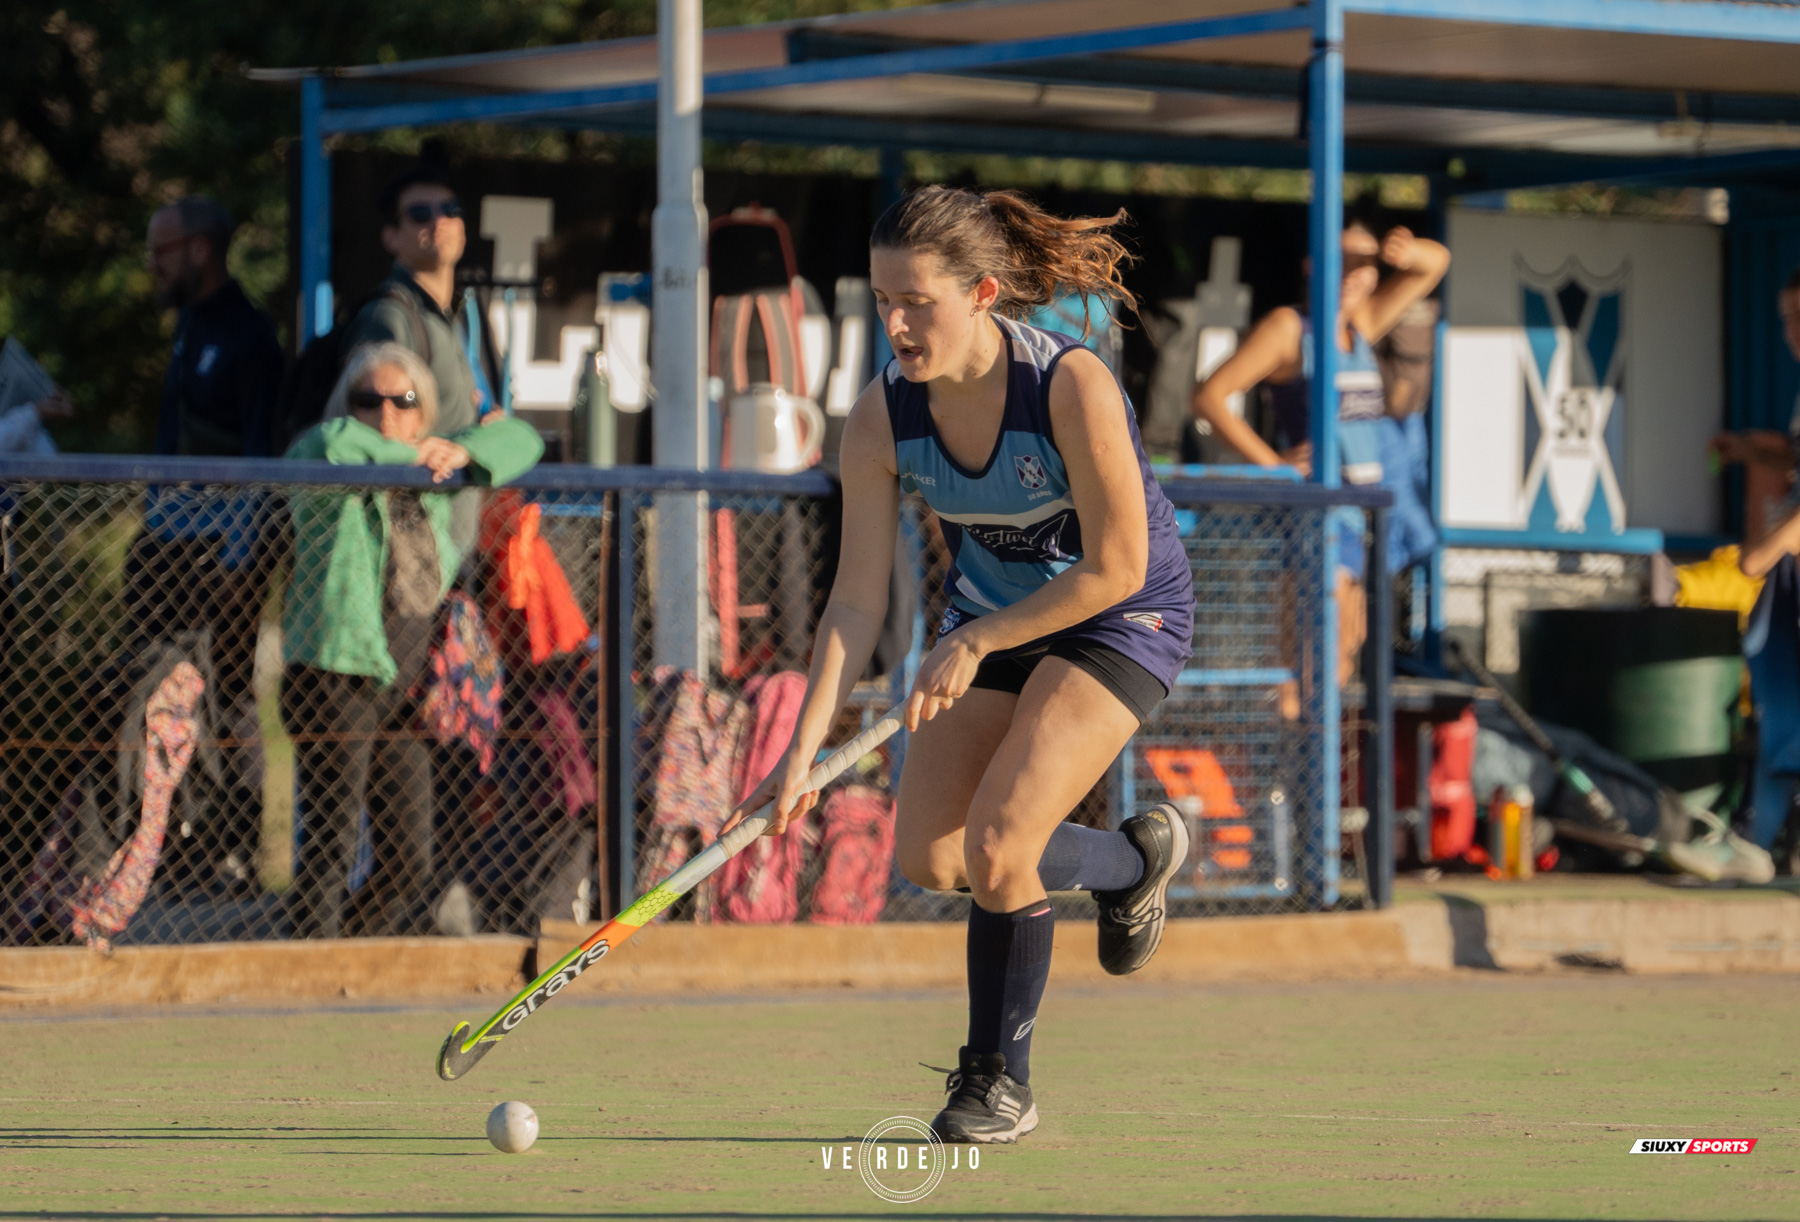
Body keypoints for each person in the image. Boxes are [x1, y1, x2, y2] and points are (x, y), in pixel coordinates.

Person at [732, 186, 1196, 1145]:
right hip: (990, 621)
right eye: (882, 301)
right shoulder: (880, 419)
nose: (895, 325)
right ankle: (1127, 862)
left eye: (917, 302)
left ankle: (999, 1081)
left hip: (1123, 617)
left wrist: (978, 638)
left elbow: (1116, 566)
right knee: (935, 856)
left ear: (984, 293)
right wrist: (799, 753)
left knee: (998, 848)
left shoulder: (1069, 385)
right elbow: (855, 599)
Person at [280, 343, 541, 938]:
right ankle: (303, 973)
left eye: (404, 402)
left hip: (403, 691)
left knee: (409, 857)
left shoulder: (435, 480)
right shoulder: (329, 469)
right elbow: (325, 442)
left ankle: (341, 954)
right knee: (332, 842)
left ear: (426, 414)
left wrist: (464, 448)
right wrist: (410, 455)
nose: (387, 414)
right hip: (332, 677)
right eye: (367, 401)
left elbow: (523, 442)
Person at [1191, 219, 1449, 682]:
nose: (1354, 273)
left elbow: (1435, 265)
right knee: (1309, 656)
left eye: (1366, 263)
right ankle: (1295, 746)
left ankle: (1326, 748)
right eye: (1343, 260)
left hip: (1360, 517)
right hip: (1318, 516)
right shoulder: (1290, 327)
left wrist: (1405, 254)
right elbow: (1210, 396)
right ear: (1313, 265)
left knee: (1346, 650)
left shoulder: (1361, 324)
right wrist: (1276, 467)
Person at [130, 196, 286, 894]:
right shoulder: (186, 326)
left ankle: (233, 849)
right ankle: (170, 839)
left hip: (217, 553)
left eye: (162, 251)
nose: (152, 266)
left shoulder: (249, 336)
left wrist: (238, 556)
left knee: (226, 697)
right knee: (158, 690)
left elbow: (262, 458)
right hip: (164, 541)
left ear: (198, 249)